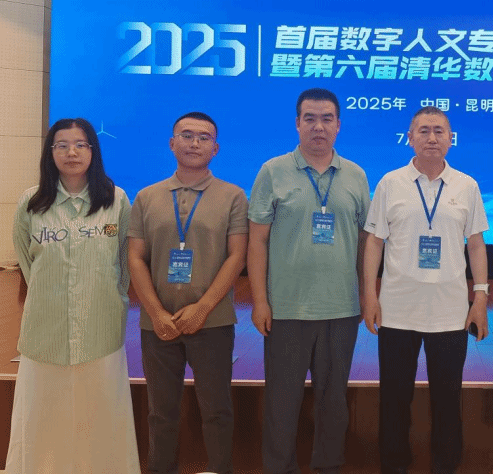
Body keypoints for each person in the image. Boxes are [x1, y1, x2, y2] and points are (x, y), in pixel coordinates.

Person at [247, 88, 371, 474]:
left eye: (327, 119)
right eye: (310, 118)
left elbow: (365, 243)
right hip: (286, 308)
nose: (319, 126)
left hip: (341, 308)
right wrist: (260, 300)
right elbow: (257, 241)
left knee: (333, 403)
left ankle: (327, 467)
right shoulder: (273, 171)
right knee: (281, 403)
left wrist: (368, 296)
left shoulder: (356, 175)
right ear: (297, 123)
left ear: (338, 125)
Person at [8, 118, 139, 474]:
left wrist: (105, 298)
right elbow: (28, 264)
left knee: (101, 416)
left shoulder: (116, 200)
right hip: (45, 332)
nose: (71, 152)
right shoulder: (31, 202)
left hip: (100, 329)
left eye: (80, 144)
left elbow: (124, 264)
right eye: (62, 145)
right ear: (50, 152)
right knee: (43, 417)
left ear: (93, 151)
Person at [362, 106, 490, 474]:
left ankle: (445, 466)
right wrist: (370, 294)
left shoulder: (466, 185)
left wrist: (480, 297)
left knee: (447, 401)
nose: (431, 138)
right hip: (397, 310)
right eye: (423, 131)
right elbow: (374, 242)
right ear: (410, 137)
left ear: (450, 138)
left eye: (439, 131)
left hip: (450, 312)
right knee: (394, 400)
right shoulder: (390, 183)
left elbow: (476, 245)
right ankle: (394, 467)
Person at [128, 111, 248, 474]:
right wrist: (156, 312)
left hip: (212, 322)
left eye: (203, 137)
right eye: (186, 135)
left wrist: (203, 308)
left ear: (216, 148)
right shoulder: (147, 197)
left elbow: (237, 256)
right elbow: (135, 258)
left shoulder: (233, 196)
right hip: (158, 323)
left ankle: (220, 469)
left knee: (217, 410)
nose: (194, 143)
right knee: (160, 411)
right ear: (172, 143)